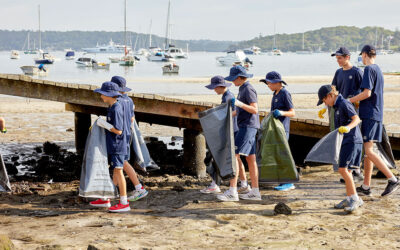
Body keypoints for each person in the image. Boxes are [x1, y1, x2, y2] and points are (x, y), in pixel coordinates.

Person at [349, 45, 400, 197]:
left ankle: (392, 179)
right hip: (375, 113)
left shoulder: (369, 69)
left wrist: (349, 100)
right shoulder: (378, 69)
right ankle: (366, 186)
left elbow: (367, 93)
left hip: (370, 114)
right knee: (368, 152)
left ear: (364, 55)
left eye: (362, 56)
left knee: (369, 151)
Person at [216, 65, 261, 201]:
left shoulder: (248, 88)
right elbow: (240, 111)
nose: (232, 82)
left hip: (248, 127)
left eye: (234, 79)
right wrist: (228, 115)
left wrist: (240, 104)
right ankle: (255, 191)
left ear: (240, 78)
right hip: (247, 126)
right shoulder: (242, 88)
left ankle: (233, 191)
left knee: (233, 156)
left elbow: (254, 110)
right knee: (250, 159)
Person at [317, 85, 364, 212]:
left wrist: (348, 127)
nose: (325, 103)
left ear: (330, 96)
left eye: (324, 100)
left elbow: (357, 119)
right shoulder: (336, 105)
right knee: (345, 171)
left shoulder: (344, 103)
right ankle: (350, 198)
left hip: (352, 140)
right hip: (345, 141)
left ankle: (355, 199)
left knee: (343, 170)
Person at [320, 47, 364, 183]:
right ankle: (347, 170)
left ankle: (357, 170)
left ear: (347, 57)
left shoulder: (357, 72)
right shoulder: (338, 73)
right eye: (337, 58)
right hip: (338, 107)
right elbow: (332, 91)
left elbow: (365, 91)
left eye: (340, 58)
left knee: (354, 137)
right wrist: (325, 106)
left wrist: (354, 101)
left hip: (353, 108)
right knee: (342, 139)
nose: (338, 61)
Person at [200, 76, 250, 194]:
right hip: (232, 131)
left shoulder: (228, 97)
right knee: (236, 159)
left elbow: (232, 113)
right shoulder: (228, 96)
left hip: (229, 132)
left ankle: (215, 184)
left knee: (213, 158)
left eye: (214, 88)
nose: (214, 90)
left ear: (220, 86)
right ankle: (244, 183)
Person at [91, 81, 130, 212]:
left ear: (109, 95)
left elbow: (119, 130)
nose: (101, 96)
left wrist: (104, 124)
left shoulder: (117, 108)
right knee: (115, 170)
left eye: (102, 94)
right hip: (114, 145)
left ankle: (124, 202)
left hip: (118, 145)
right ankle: (107, 198)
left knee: (119, 171)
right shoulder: (112, 107)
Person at [111, 76, 149, 201]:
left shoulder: (118, 102)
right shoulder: (129, 100)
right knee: (121, 163)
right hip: (128, 133)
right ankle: (113, 189)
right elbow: (132, 119)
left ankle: (139, 187)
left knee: (121, 163)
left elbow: (118, 121)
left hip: (119, 135)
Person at [260, 71, 296, 191]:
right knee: (278, 156)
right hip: (275, 129)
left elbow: (292, 112)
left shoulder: (285, 93)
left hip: (282, 129)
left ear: (277, 82)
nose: (268, 85)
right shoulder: (275, 94)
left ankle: (289, 182)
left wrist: (281, 112)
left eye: (269, 83)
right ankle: (282, 181)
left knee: (283, 155)